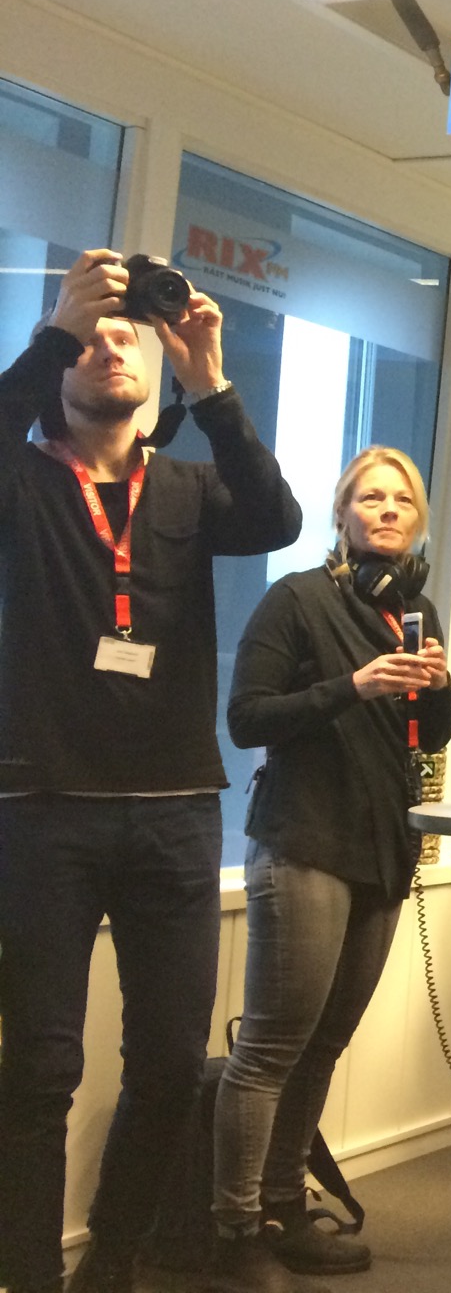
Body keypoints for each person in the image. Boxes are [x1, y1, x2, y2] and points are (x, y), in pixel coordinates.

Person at [0, 250, 301, 1293]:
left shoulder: (187, 486)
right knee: (39, 1070)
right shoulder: (24, 479)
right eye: (88, 337)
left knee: (172, 1064)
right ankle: (29, 1277)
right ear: (58, 364)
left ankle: (113, 1260)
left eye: (127, 333)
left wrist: (209, 380)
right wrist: (52, 330)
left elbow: (276, 519)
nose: (108, 346)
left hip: (176, 810)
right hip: (41, 808)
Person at [206, 447, 451, 1291]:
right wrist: (354, 684)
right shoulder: (296, 600)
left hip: (382, 848)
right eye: (370, 497)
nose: (387, 510)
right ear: (343, 512)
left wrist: (436, 688)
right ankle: (236, 1228)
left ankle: (285, 1204)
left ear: (417, 522)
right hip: (306, 841)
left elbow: (428, 735)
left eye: (402, 501)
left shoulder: (415, 611)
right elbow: (247, 720)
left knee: (324, 1047)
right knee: (271, 1049)